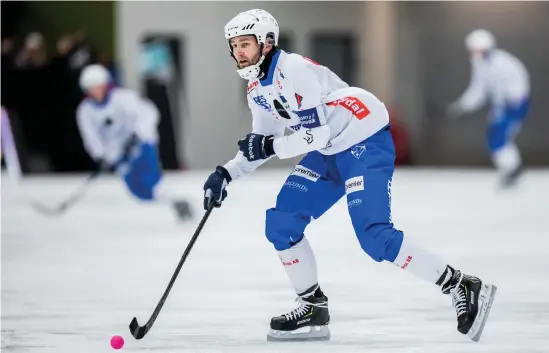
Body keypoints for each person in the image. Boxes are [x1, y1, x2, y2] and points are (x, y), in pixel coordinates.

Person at [203, 9, 498, 342]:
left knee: (375, 236)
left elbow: (308, 136)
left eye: (246, 44)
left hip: (364, 141)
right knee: (281, 223)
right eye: (235, 45)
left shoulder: (294, 69)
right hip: (330, 149)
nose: (239, 52)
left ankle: (461, 284)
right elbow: (262, 141)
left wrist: (268, 146)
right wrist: (225, 173)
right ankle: (312, 305)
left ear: (267, 43)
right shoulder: (257, 88)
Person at [76, 64, 191, 221]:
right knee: (138, 190)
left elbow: (148, 113)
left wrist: (138, 135)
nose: (95, 91)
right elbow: (91, 137)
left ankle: (179, 200)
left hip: (142, 146)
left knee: (150, 180)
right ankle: (173, 199)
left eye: (98, 86)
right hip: (118, 154)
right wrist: (102, 156)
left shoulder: (123, 97)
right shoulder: (85, 111)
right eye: (91, 88)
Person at [448, 29, 530, 188]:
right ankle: (511, 169)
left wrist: (510, 104)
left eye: (479, 51)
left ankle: (513, 170)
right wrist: (461, 106)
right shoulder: (482, 66)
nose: (475, 55)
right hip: (502, 106)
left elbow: (519, 83)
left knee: (498, 138)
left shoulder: (503, 63)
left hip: (514, 105)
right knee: (495, 139)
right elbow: (478, 90)